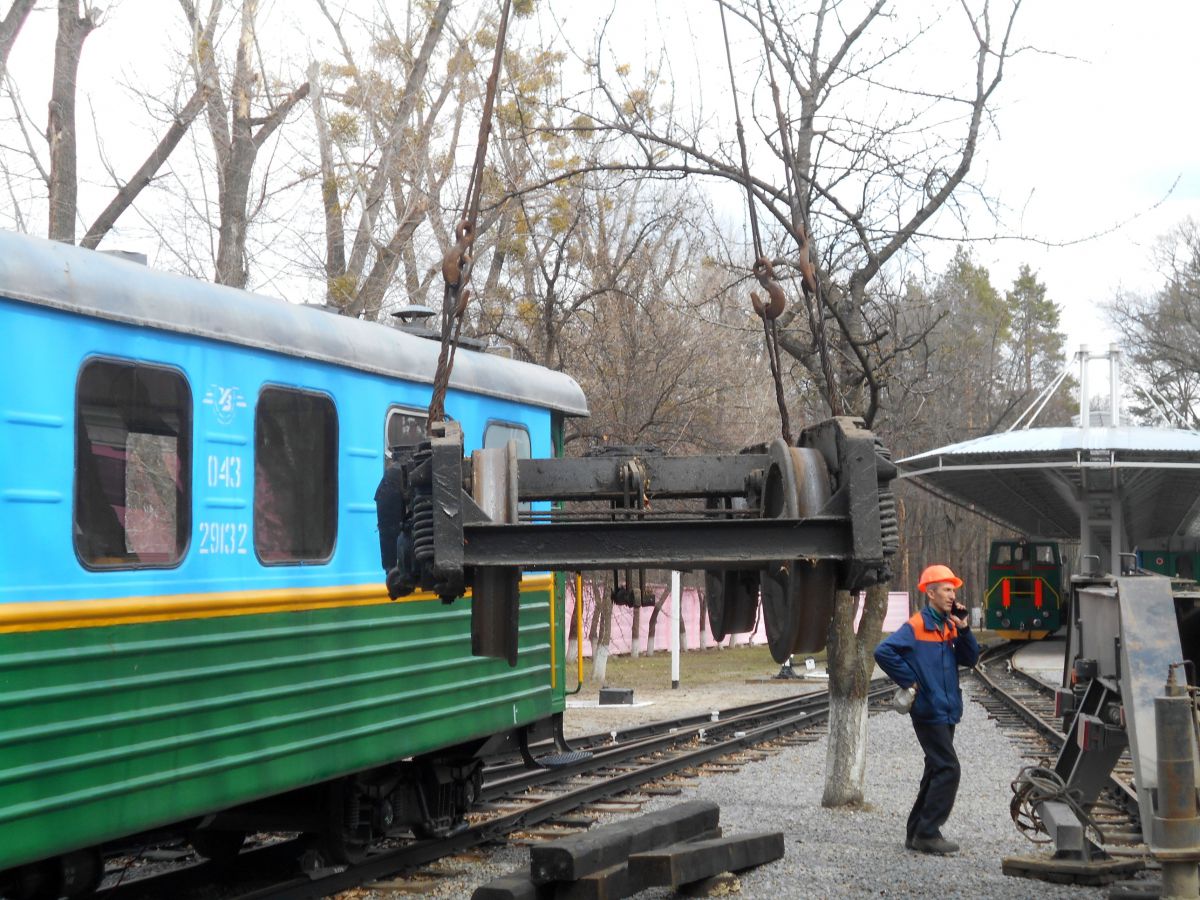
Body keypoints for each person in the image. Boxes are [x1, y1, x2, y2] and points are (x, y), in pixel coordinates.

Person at [874, 563, 980, 855]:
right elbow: (883, 652)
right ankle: (928, 832)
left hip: (947, 708)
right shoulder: (917, 625)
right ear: (931, 593)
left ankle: (915, 833)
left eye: (953, 590)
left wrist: (965, 628)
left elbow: (970, 659)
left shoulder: (948, 625)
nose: (952, 595)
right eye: (947, 589)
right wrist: (910, 680)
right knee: (949, 768)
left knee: (935, 768)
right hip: (929, 709)